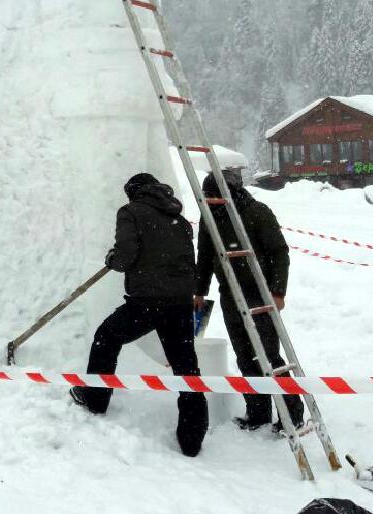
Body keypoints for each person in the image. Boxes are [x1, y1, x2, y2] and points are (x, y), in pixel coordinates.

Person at [70, 173, 209, 457]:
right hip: (179, 303)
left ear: (133, 192)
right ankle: (192, 438)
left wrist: (112, 258)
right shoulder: (179, 219)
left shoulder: (130, 212)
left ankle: (95, 398)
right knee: (186, 369)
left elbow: (125, 257)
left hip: (147, 300)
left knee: (106, 337)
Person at [194, 169, 305, 434]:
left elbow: (279, 253)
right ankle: (258, 413)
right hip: (230, 294)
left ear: (228, 193)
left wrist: (278, 292)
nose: (209, 200)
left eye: (213, 195)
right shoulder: (208, 217)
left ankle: (293, 414)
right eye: (207, 196)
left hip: (259, 295)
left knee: (268, 356)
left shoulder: (257, 212)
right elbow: (206, 255)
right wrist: (199, 290)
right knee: (245, 356)